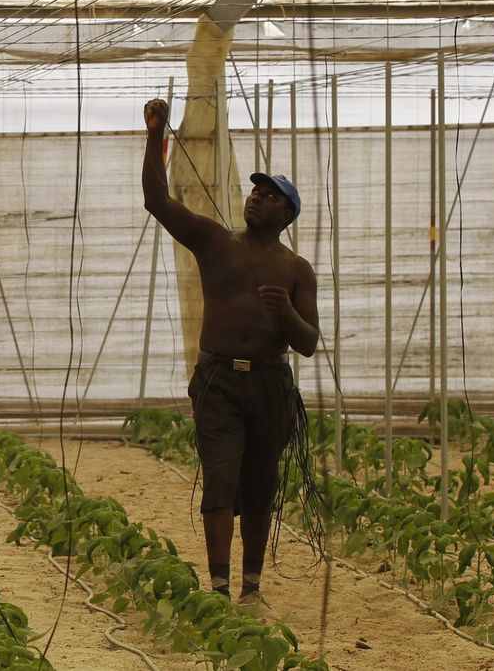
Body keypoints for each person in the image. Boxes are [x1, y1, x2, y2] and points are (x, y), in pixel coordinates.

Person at [140, 97, 319, 606]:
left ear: (287, 213)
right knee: (220, 478)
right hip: (218, 379)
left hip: (268, 384)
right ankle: (219, 586)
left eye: (269, 195)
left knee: (260, 484)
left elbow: (307, 343)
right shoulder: (216, 241)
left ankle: (252, 587)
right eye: (255, 189)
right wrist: (156, 135)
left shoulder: (296, 270)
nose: (256, 197)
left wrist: (284, 311)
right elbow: (157, 200)